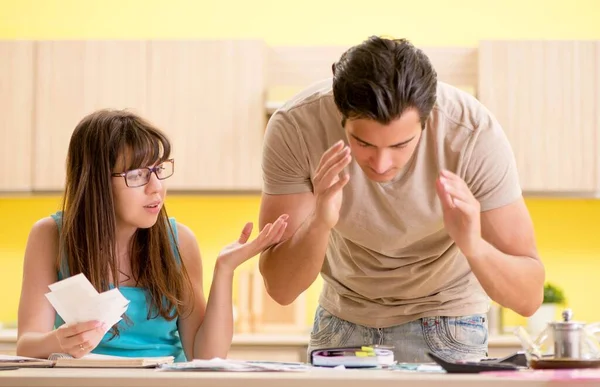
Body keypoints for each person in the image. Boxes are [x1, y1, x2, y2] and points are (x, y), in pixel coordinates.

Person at [258, 36, 545, 362]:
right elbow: (281, 290)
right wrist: (321, 219)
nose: (381, 165)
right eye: (362, 142)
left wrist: (473, 244)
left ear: (427, 120)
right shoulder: (297, 126)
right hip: (342, 320)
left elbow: (528, 298)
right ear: (340, 115)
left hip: (449, 320)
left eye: (400, 145)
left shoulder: (471, 134)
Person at [17, 109, 288, 361]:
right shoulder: (51, 236)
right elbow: (27, 345)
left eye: (158, 170)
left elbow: (205, 357)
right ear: (96, 181)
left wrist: (225, 269)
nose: (156, 187)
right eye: (137, 175)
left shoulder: (179, 241)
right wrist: (60, 341)